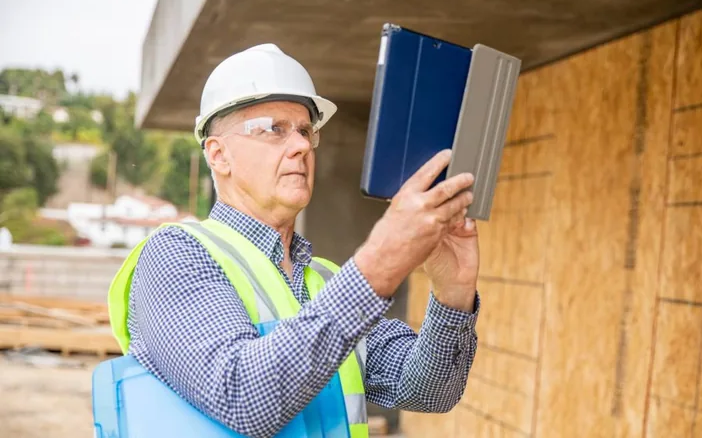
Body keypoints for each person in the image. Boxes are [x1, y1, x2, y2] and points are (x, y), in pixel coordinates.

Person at [112, 44, 481, 437]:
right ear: (218, 156)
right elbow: (242, 397)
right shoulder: (177, 256)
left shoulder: (324, 281)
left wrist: (453, 294)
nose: (302, 145)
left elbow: (429, 391)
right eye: (273, 128)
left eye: (306, 130)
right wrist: (379, 263)